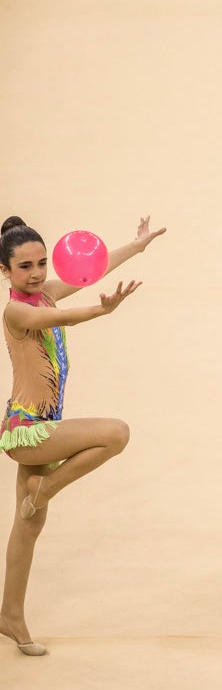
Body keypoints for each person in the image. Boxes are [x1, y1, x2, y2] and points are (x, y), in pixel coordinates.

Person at [0, 215, 165, 655]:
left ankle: (10, 616)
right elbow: (65, 317)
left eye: (41, 263)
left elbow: (90, 270)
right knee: (116, 433)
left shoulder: (46, 291)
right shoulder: (17, 310)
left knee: (28, 525)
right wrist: (101, 310)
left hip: (42, 425)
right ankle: (45, 486)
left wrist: (137, 246)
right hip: (27, 430)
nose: (36, 273)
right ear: (5, 272)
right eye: (24, 267)